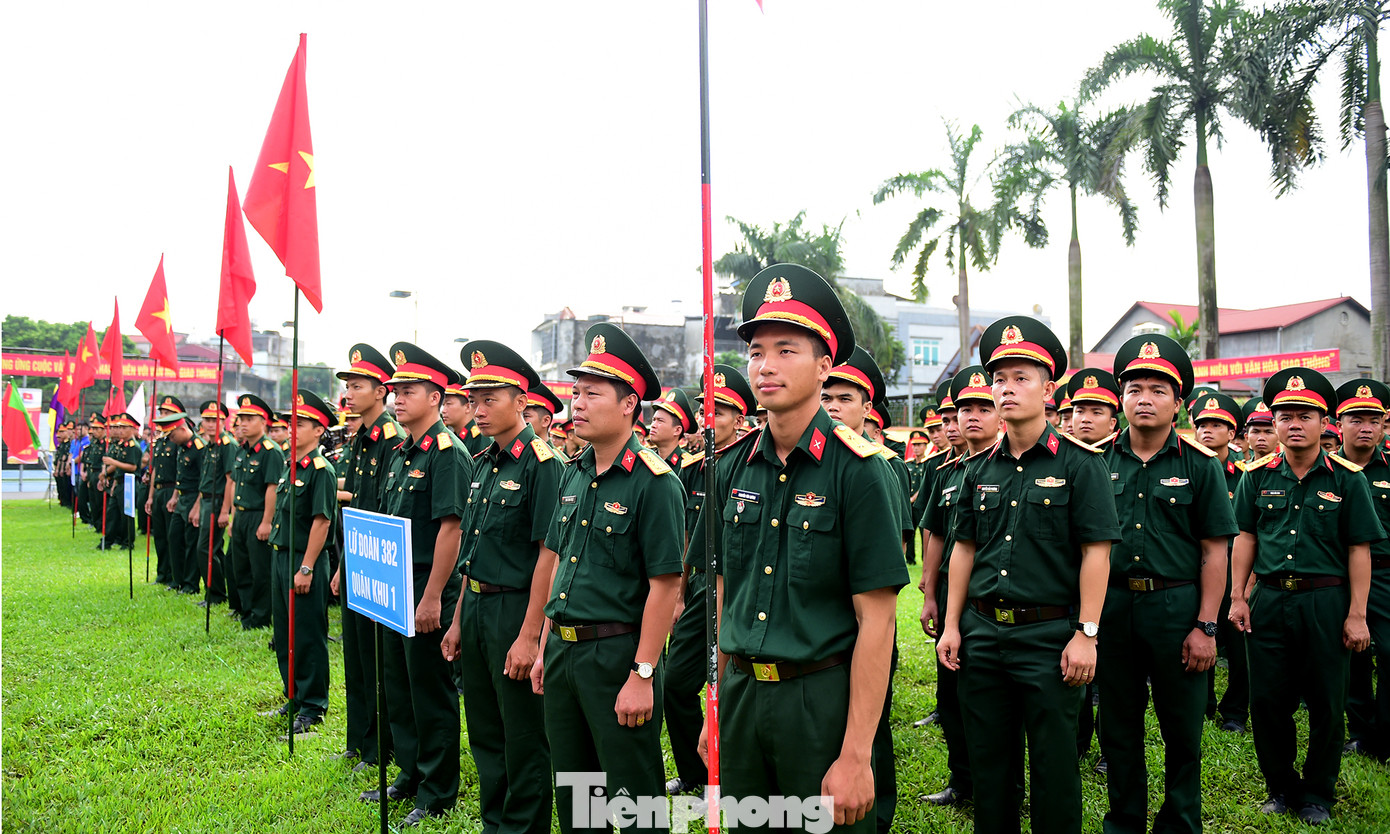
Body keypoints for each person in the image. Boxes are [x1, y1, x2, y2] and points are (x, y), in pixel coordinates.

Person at [694, 264, 907, 832]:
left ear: (824, 366)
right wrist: (715, 703)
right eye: (756, 351)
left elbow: (878, 620)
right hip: (741, 696)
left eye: (786, 350)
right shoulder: (729, 468)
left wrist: (856, 754)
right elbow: (722, 595)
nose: (765, 365)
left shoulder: (859, 472)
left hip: (820, 703)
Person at [937, 315, 1119, 834]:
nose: (1008, 389)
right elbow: (964, 549)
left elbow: (1097, 553)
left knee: (1054, 767)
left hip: (1049, 637)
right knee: (990, 766)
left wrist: (1086, 634)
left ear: (1049, 389)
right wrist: (952, 625)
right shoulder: (977, 468)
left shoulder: (1080, 465)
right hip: (982, 634)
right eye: (1000, 379)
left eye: (1022, 378)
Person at [529, 322, 685, 834]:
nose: (577, 403)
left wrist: (642, 674)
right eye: (576, 392)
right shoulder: (573, 472)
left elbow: (665, 586)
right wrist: (544, 645)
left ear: (628, 405)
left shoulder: (655, 483)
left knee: (634, 798)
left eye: (592, 393)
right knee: (577, 795)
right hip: (564, 652)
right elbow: (560, 566)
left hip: (617, 655)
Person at [1228, 368, 1385, 825]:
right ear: (1274, 422)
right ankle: (1280, 787)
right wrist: (1238, 596)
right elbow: (1245, 537)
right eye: (1285, 416)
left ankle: (1318, 793)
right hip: (1270, 600)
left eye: (1304, 416)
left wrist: (1357, 614)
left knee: (1326, 702)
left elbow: (1358, 549)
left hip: (1325, 602)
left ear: (1323, 422)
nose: (1294, 424)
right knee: (1268, 702)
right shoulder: (1256, 476)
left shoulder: (1348, 479)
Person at [1097, 335, 1237, 834]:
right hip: (1112, 607)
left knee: (1182, 729)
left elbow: (1214, 551)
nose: (1145, 399)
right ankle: (1125, 822)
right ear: (1121, 398)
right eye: (1134, 389)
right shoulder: (1095, 460)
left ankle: (1179, 823)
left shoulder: (1201, 464)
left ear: (1178, 404)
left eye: (1158, 390)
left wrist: (1206, 626)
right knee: (1117, 726)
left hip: (1176, 607)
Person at [436, 341, 563, 834]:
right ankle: (496, 824)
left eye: (491, 399)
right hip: (476, 608)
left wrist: (531, 636)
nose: (480, 409)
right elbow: (473, 549)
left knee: (523, 735)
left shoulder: (542, 464)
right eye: (475, 400)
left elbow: (549, 556)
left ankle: (524, 827)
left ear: (521, 401)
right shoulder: (483, 460)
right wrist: (457, 621)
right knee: (485, 731)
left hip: (516, 610)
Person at [365, 343, 471, 827]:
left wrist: (431, 598)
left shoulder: (447, 453)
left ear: (435, 397)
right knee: (399, 686)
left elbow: (452, 528)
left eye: (409, 391)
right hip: (394, 585)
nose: (398, 398)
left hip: (428, 587)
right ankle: (409, 772)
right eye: (396, 391)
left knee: (429, 692)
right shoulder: (402, 451)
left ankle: (437, 790)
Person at [918, 364, 1014, 808]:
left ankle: (1004, 787)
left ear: (1000, 414)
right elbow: (937, 534)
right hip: (953, 599)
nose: (971, 417)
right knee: (952, 695)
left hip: (994, 597)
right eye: (964, 410)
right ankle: (963, 781)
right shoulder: (947, 471)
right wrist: (929, 593)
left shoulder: (1011, 467)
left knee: (998, 705)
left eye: (983, 408)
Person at [822, 351, 910, 834]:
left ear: (866, 408)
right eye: (827, 397)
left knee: (873, 719)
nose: (833, 406)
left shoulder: (883, 467)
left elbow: (892, 550)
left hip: (868, 613)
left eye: (845, 398)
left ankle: (879, 808)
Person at [665, 363, 756, 800]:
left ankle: (731, 776)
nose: (708, 418)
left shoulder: (748, 464)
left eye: (718, 411)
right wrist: (679, 594)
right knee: (675, 684)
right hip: (702, 589)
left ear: (739, 419)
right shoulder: (693, 467)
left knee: (735, 688)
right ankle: (695, 773)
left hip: (740, 591)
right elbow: (688, 535)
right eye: (704, 410)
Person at [332, 344, 402, 772]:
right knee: (356, 657)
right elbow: (356, 507)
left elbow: (385, 511)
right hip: (356, 556)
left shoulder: (392, 440)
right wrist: (343, 565)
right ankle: (357, 741)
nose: (349, 394)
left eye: (357, 386)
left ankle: (381, 748)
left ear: (380, 392)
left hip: (380, 562)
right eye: (348, 386)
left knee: (378, 663)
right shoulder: (360, 438)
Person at [266, 390, 337, 734]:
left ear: (319, 430)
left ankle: (313, 706)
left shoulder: (321, 470)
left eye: (301, 424)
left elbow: (321, 522)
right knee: (285, 633)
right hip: (281, 557)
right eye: (290, 423)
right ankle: (293, 696)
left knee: (307, 635)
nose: (292, 429)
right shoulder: (289, 464)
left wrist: (306, 567)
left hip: (304, 561)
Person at [1333, 379, 1390, 760]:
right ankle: (1359, 729)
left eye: (1373, 420)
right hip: (1338, 574)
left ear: (1384, 424)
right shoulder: (1326, 469)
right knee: (1350, 654)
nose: (1365, 427)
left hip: (1385, 575)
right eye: (1356, 419)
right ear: (1339, 424)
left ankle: (1384, 732)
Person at [1188, 391, 1250, 733]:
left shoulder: (1244, 474)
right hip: (1198, 569)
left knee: (1239, 646)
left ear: (1232, 432)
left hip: (1234, 571)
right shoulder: (1191, 469)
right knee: (1199, 633)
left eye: (1216, 425)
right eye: (1202, 425)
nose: (1207, 431)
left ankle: (1235, 712)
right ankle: (1203, 704)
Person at [221, 394, 284, 630]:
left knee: (260, 569)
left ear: (263, 422)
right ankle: (246, 611)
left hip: (259, 515)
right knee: (241, 567)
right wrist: (232, 517)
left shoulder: (270, 451)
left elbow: (272, 488)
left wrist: (267, 522)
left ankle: (260, 616)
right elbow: (235, 484)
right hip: (241, 515)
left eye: (250, 419)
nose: (243, 424)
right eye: (242, 419)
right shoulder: (241, 451)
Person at [154, 406, 206, 596]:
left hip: (194, 497)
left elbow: (204, 480)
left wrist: (197, 507)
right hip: (181, 498)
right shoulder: (182, 448)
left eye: (173, 435)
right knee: (174, 537)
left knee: (191, 542)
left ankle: (191, 584)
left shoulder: (199, 448)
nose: (171, 439)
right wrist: (175, 497)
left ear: (183, 429)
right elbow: (180, 475)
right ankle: (177, 580)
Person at [192, 401, 236, 611]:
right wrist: (197, 506)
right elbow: (205, 480)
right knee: (211, 549)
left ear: (223, 421)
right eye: (207, 420)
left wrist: (225, 511)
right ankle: (214, 591)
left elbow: (230, 480)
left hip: (218, 502)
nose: (210, 424)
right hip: (206, 501)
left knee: (205, 548)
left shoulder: (227, 445)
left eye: (215, 420)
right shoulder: (209, 445)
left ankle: (216, 593)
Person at [99, 413, 143, 550]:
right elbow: (119, 469)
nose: (121, 431)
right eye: (119, 427)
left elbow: (132, 467)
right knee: (112, 513)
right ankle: (107, 541)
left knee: (126, 515)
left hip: (129, 483)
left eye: (124, 428)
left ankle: (127, 542)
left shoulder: (132, 446)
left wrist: (113, 462)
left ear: (132, 429)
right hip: (119, 483)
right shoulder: (122, 445)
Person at [650, 388, 695, 471]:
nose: (653, 425)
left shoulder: (689, 467)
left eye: (660, 421)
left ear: (677, 430)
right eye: (653, 420)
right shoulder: (647, 460)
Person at [1242, 398, 1278, 462]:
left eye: (1268, 432)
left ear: (1279, 438)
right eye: (1256, 432)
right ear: (1247, 437)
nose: (1261, 438)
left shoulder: (1290, 467)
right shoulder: (1241, 467)